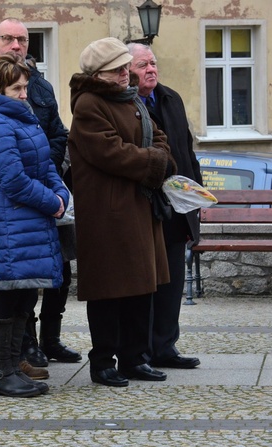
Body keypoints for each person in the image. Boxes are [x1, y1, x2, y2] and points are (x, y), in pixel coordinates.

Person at [0, 17, 76, 389]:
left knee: (24, 283)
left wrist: (56, 192)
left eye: (22, 38)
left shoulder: (38, 88)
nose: (16, 44)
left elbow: (55, 137)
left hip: (31, 203)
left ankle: (16, 360)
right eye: (8, 38)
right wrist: (45, 195)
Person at [68, 37, 175, 387]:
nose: (125, 74)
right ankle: (102, 362)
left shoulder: (133, 101)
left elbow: (158, 139)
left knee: (141, 287)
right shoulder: (88, 104)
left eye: (124, 67)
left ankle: (134, 357)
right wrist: (154, 161)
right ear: (100, 74)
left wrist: (155, 157)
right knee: (108, 291)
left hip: (138, 208)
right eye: (118, 69)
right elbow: (110, 152)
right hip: (107, 214)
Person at [127, 43, 202, 370]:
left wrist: (197, 192)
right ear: (127, 70)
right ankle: (139, 352)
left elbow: (186, 148)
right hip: (145, 206)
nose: (151, 69)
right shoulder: (126, 104)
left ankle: (165, 346)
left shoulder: (171, 98)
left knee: (172, 283)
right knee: (146, 282)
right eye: (143, 65)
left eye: (153, 63)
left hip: (177, 206)